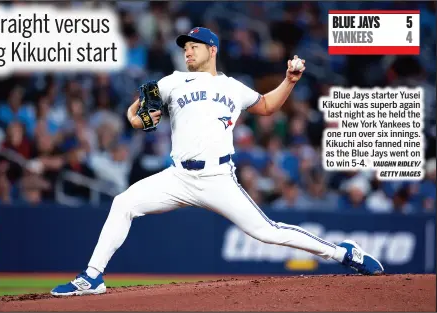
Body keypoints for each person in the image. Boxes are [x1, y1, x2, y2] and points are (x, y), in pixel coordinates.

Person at [51, 27, 384, 296]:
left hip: (219, 177)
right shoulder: (171, 81)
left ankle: (343, 253)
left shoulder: (232, 87)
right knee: (123, 203)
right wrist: (134, 113)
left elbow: (267, 106)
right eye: (185, 46)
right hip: (178, 177)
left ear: (212, 50)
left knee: (267, 232)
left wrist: (290, 82)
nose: (187, 50)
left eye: (194, 45)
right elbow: (138, 119)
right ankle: (93, 277)